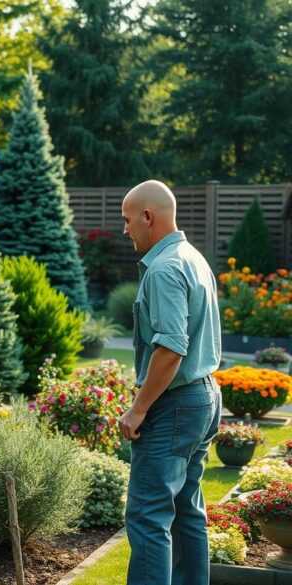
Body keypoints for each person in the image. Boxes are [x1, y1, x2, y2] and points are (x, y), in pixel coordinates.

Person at [118, 180, 222, 585]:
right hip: (203, 397)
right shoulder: (193, 257)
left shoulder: (163, 269)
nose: (125, 229)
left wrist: (138, 408)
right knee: (187, 512)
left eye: (128, 220)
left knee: (148, 514)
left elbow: (172, 348)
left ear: (148, 216)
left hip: (175, 405)